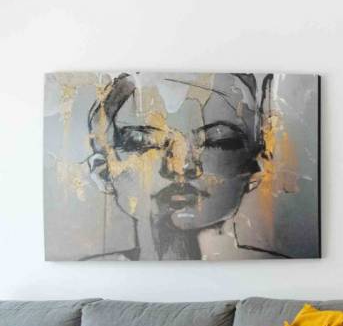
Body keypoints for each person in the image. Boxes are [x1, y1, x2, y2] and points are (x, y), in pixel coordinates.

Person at [83, 72, 287, 260]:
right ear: (103, 170)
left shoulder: (280, 279)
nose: (181, 166)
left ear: (256, 167)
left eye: (218, 142)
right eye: (143, 142)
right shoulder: (89, 278)